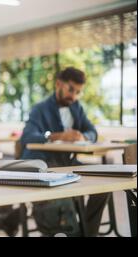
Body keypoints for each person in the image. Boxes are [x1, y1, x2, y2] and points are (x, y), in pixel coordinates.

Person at [20, 67, 109, 236]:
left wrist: (82, 136)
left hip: (65, 162)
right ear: (58, 84)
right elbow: (28, 136)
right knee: (65, 188)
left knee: (105, 184)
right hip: (43, 162)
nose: (73, 96)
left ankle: (87, 233)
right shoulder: (40, 108)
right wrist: (58, 136)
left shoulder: (76, 108)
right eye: (70, 89)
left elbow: (92, 132)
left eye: (78, 92)